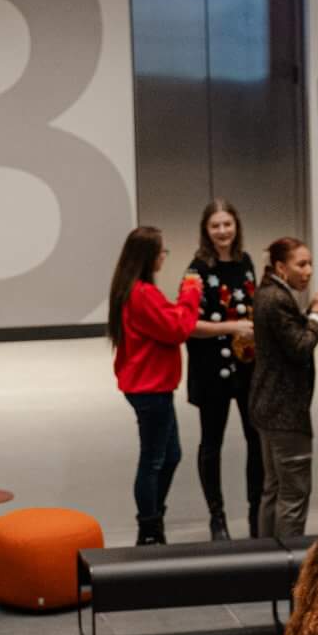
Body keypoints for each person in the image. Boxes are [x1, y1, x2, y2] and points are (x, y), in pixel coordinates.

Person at [108, 224, 201, 545]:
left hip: (153, 387)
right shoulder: (142, 294)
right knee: (153, 459)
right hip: (150, 389)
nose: (164, 257)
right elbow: (176, 328)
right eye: (162, 252)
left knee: (170, 455)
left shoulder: (136, 291)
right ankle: (149, 527)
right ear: (148, 256)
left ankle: (153, 517)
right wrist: (191, 293)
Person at [183, 199, 263, 540]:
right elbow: (188, 324)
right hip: (211, 368)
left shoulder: (246, 262)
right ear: (206, 230)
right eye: (215, 225)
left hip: (248, 366)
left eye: (227, 224)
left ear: (236, 225)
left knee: (256, 440)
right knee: (211, 443)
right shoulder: (196, 270)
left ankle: (256, 513)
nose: (222, 231)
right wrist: (233, 327)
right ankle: (217, 517)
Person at [249, 236, 318, 539]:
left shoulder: (269, 292)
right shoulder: (276, 299)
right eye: (301, 264)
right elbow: (300, 346)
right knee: (293, 495)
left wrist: (309, 310)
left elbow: (287, 335)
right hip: (284, 411)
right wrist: (317, 314)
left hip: (267, 406)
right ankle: (289, 559)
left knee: (273, 489)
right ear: (280, 267)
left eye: (310, 263)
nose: (309, 271)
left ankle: (266, 559)